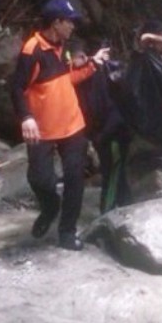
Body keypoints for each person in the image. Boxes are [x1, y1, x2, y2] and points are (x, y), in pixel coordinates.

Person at [9, 0, 110, 251]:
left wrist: (92, 65)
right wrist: (26, 117)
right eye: (70, 22)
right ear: (56, 23)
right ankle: (50, 207)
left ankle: (67, 233)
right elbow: (17, 87)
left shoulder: (62, 46)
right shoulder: (32, 51)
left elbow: (66, 79)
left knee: (75, 179)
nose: (73, 27)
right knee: (40, 180)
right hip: (42, 128)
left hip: (72, 125)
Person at [68, 39, 133, 213]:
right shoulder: (76, 79)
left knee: (112, 173)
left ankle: (108, 212)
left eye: (74, 58)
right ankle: (126, 208)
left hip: (113, 131)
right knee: (115, 173)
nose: (72, 63)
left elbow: (107, 105)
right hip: (102, 132)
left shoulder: (99, 73)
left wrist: (101, 133)